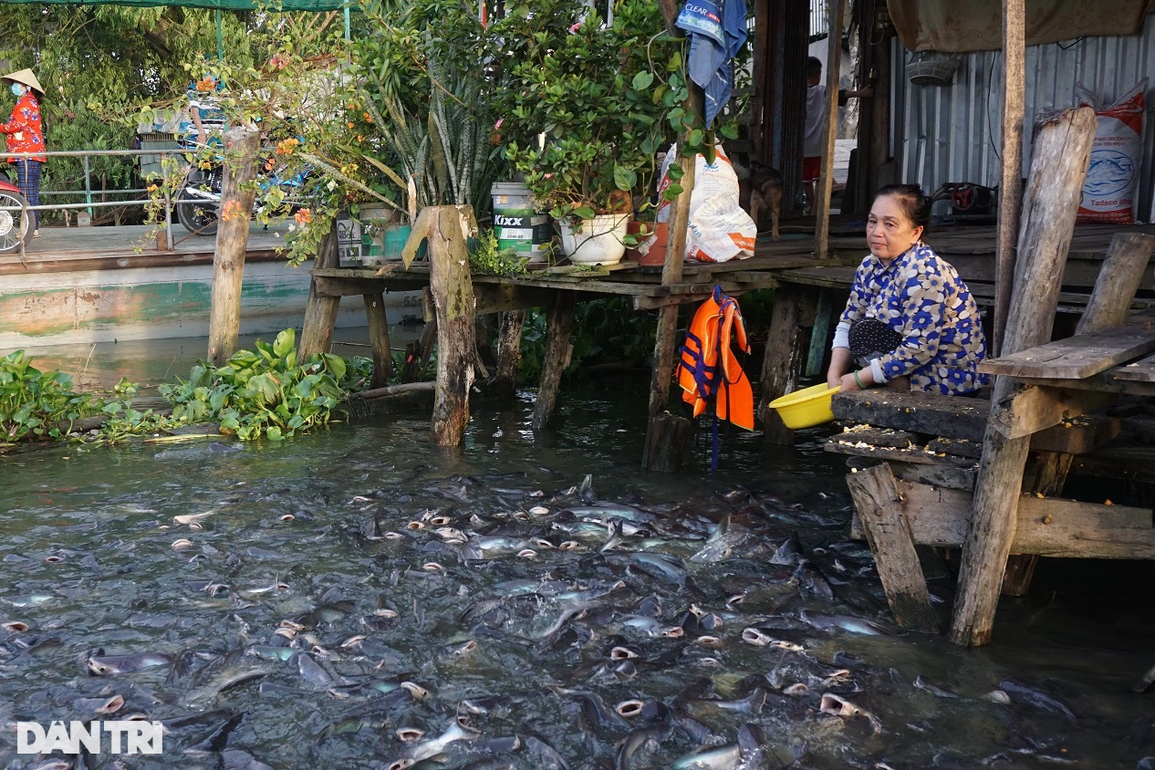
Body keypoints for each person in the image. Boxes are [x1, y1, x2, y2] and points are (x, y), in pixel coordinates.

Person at [826, 184, 989, 396]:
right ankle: (892, 385)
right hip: (909, 364)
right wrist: (834, 375)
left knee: (865, 334)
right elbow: (849, 320)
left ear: (915, 233)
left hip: (950, 380)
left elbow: (921, 347)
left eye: (890, 224)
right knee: (860, 331)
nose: (876, 232)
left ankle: (907, 396)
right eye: (872, 221)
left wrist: (860, 378)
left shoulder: (925, 274)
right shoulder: (869, 265)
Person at [803, 56, 871, 215]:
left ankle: (812, 205)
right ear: (818, 75)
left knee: (806, 180)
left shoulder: (797, 94)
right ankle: (816, 210)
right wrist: (862, 93)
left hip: (803, 145)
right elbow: (842, 94)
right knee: (820, 178)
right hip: (819, 144)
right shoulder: (822, 91)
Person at [0, 68, 46, 237]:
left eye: (16, 84)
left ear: (26, 86)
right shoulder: (27, 101)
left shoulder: (26, 103)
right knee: (30, 190)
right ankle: (33, 228)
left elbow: (16, 125)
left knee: (27, 191)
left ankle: (30, 228)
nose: (14, 86)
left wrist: (1, 127)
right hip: (30, 152)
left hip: (27, 153)